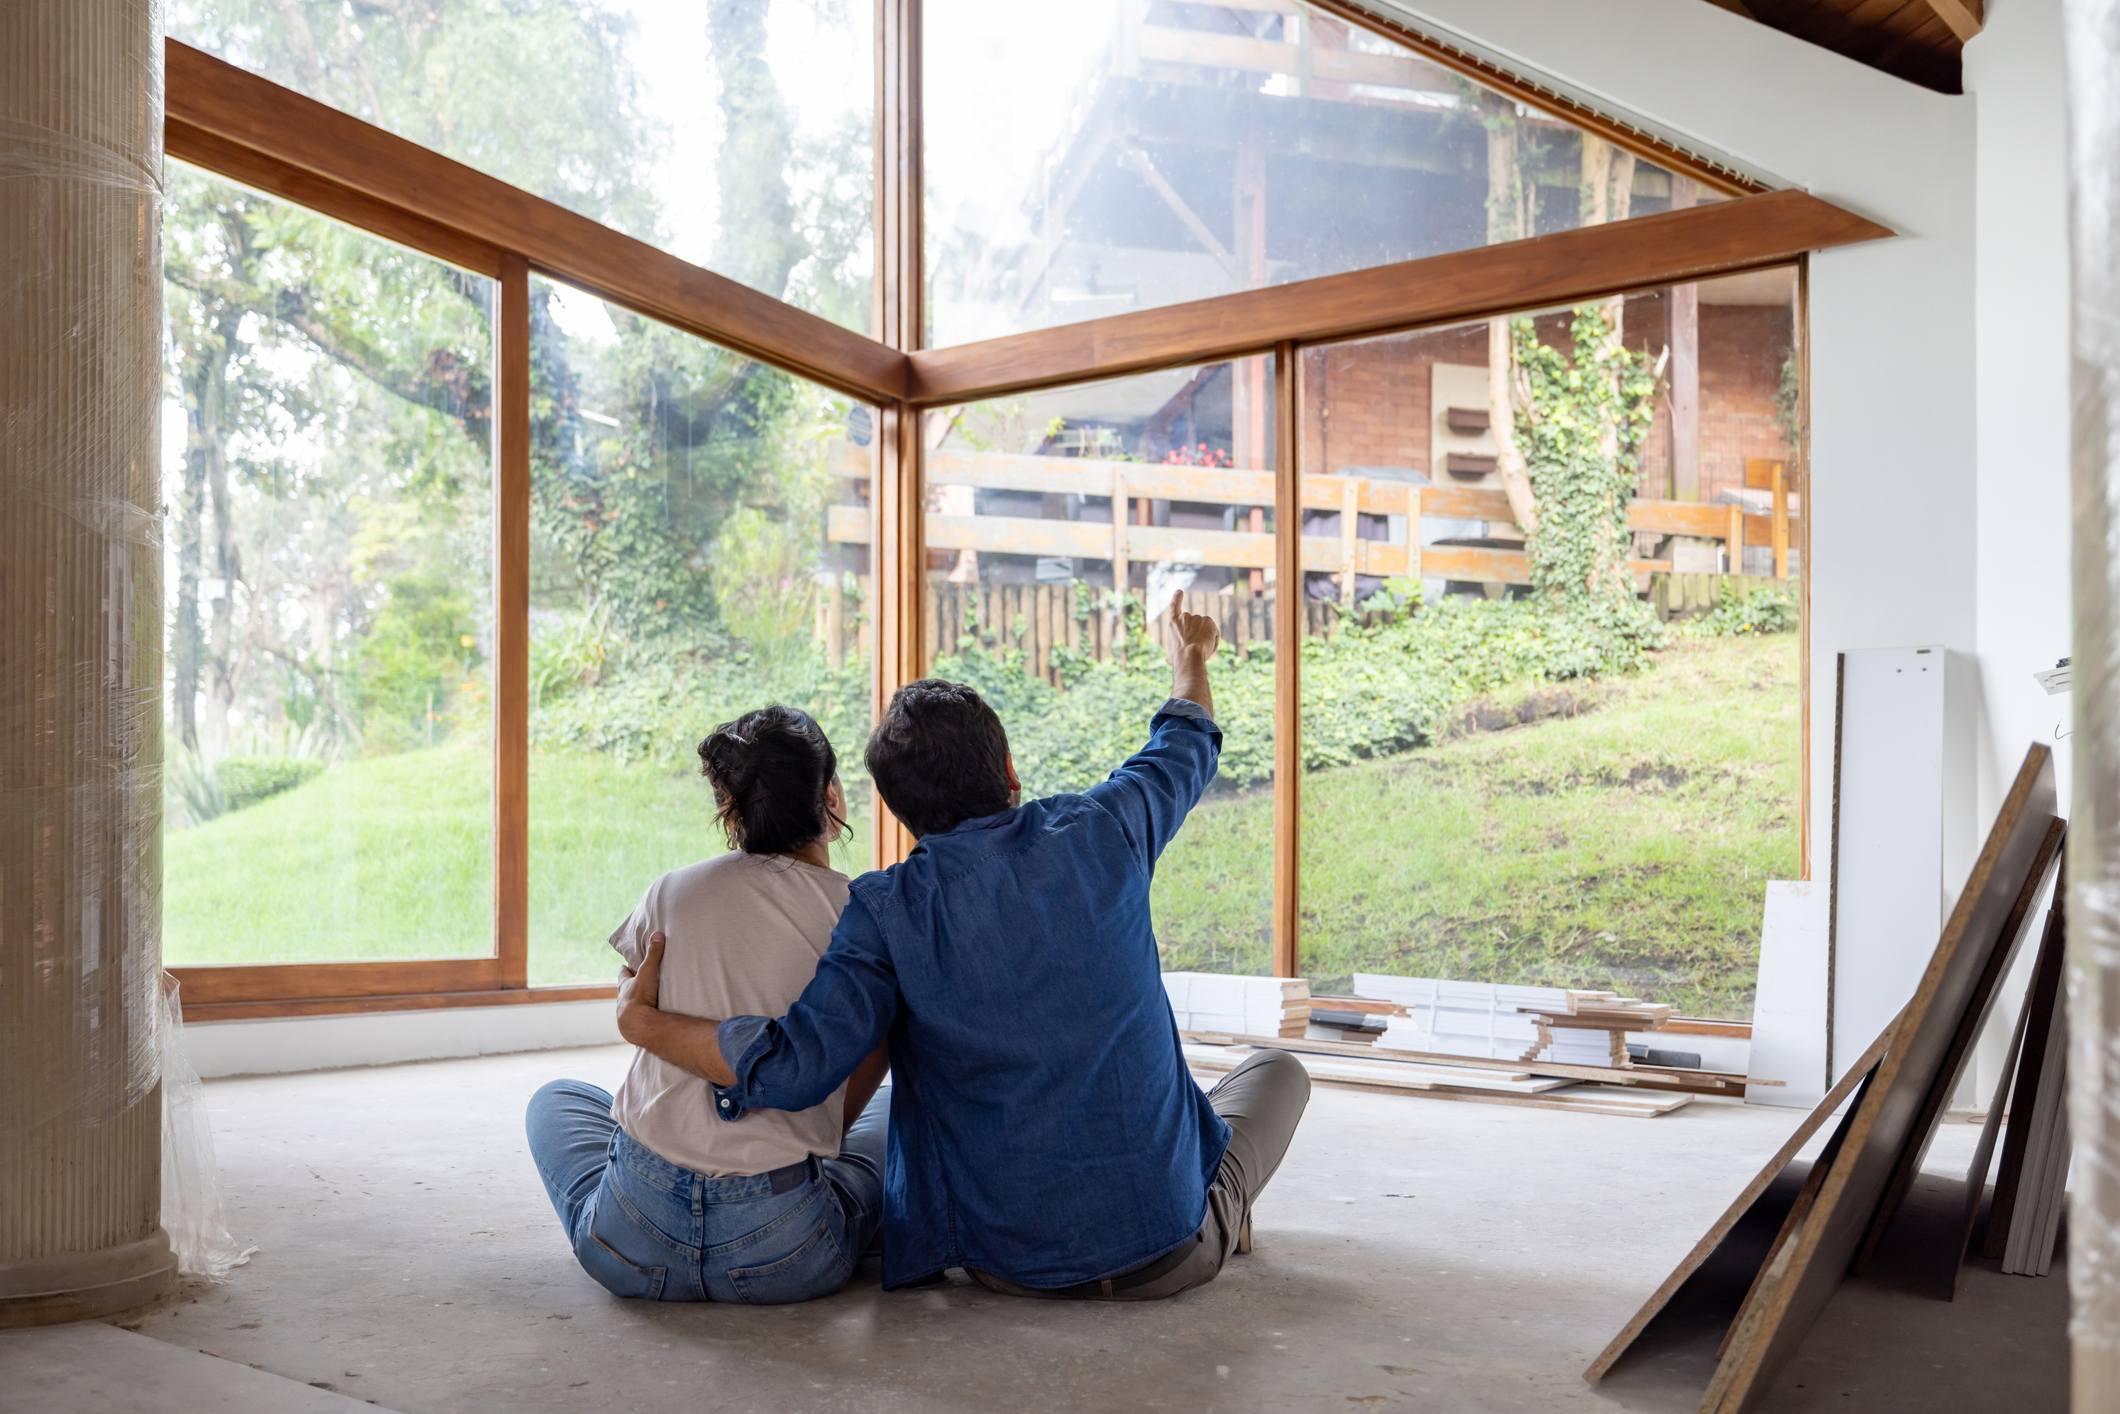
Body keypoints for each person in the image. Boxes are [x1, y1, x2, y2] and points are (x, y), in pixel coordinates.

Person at [616, 591, 1310, 1300]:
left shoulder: (884, 909)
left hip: (993, 1264)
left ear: (900, 813)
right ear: (1008, 770)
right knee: (1277, 1074)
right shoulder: (1106, 826)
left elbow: (797, 1068)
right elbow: (1185, 742)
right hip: (1166, 1252)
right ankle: (1219, 1212)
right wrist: (1188, 657)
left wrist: (643, 1023)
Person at [524, 706, 891, 1303]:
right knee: (894, 1114)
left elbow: (632, 973)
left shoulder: (673, 891)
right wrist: (820, 1132)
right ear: (833, 798)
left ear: (731, 810)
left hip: (634, 1238)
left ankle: (606, 1221)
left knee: (557, 1100)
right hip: (785, 1253)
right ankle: (835, 1200)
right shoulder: (859, 912)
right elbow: (881, 1042)